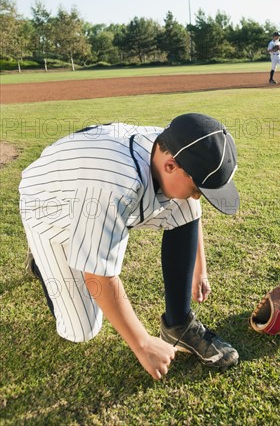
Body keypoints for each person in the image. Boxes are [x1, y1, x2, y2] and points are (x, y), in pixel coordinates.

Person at [19, 113, 240, 380]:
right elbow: (98, 274)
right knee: (81, 329)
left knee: (183, 200)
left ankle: (178, 324)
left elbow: (191, 205)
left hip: (85, 182)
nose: (198, 196)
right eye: (198, 188)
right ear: (170, 166)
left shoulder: (174, 144)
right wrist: (142, 343)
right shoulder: (114, 185)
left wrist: (199, 268)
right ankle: (42, 262)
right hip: (50, 207)